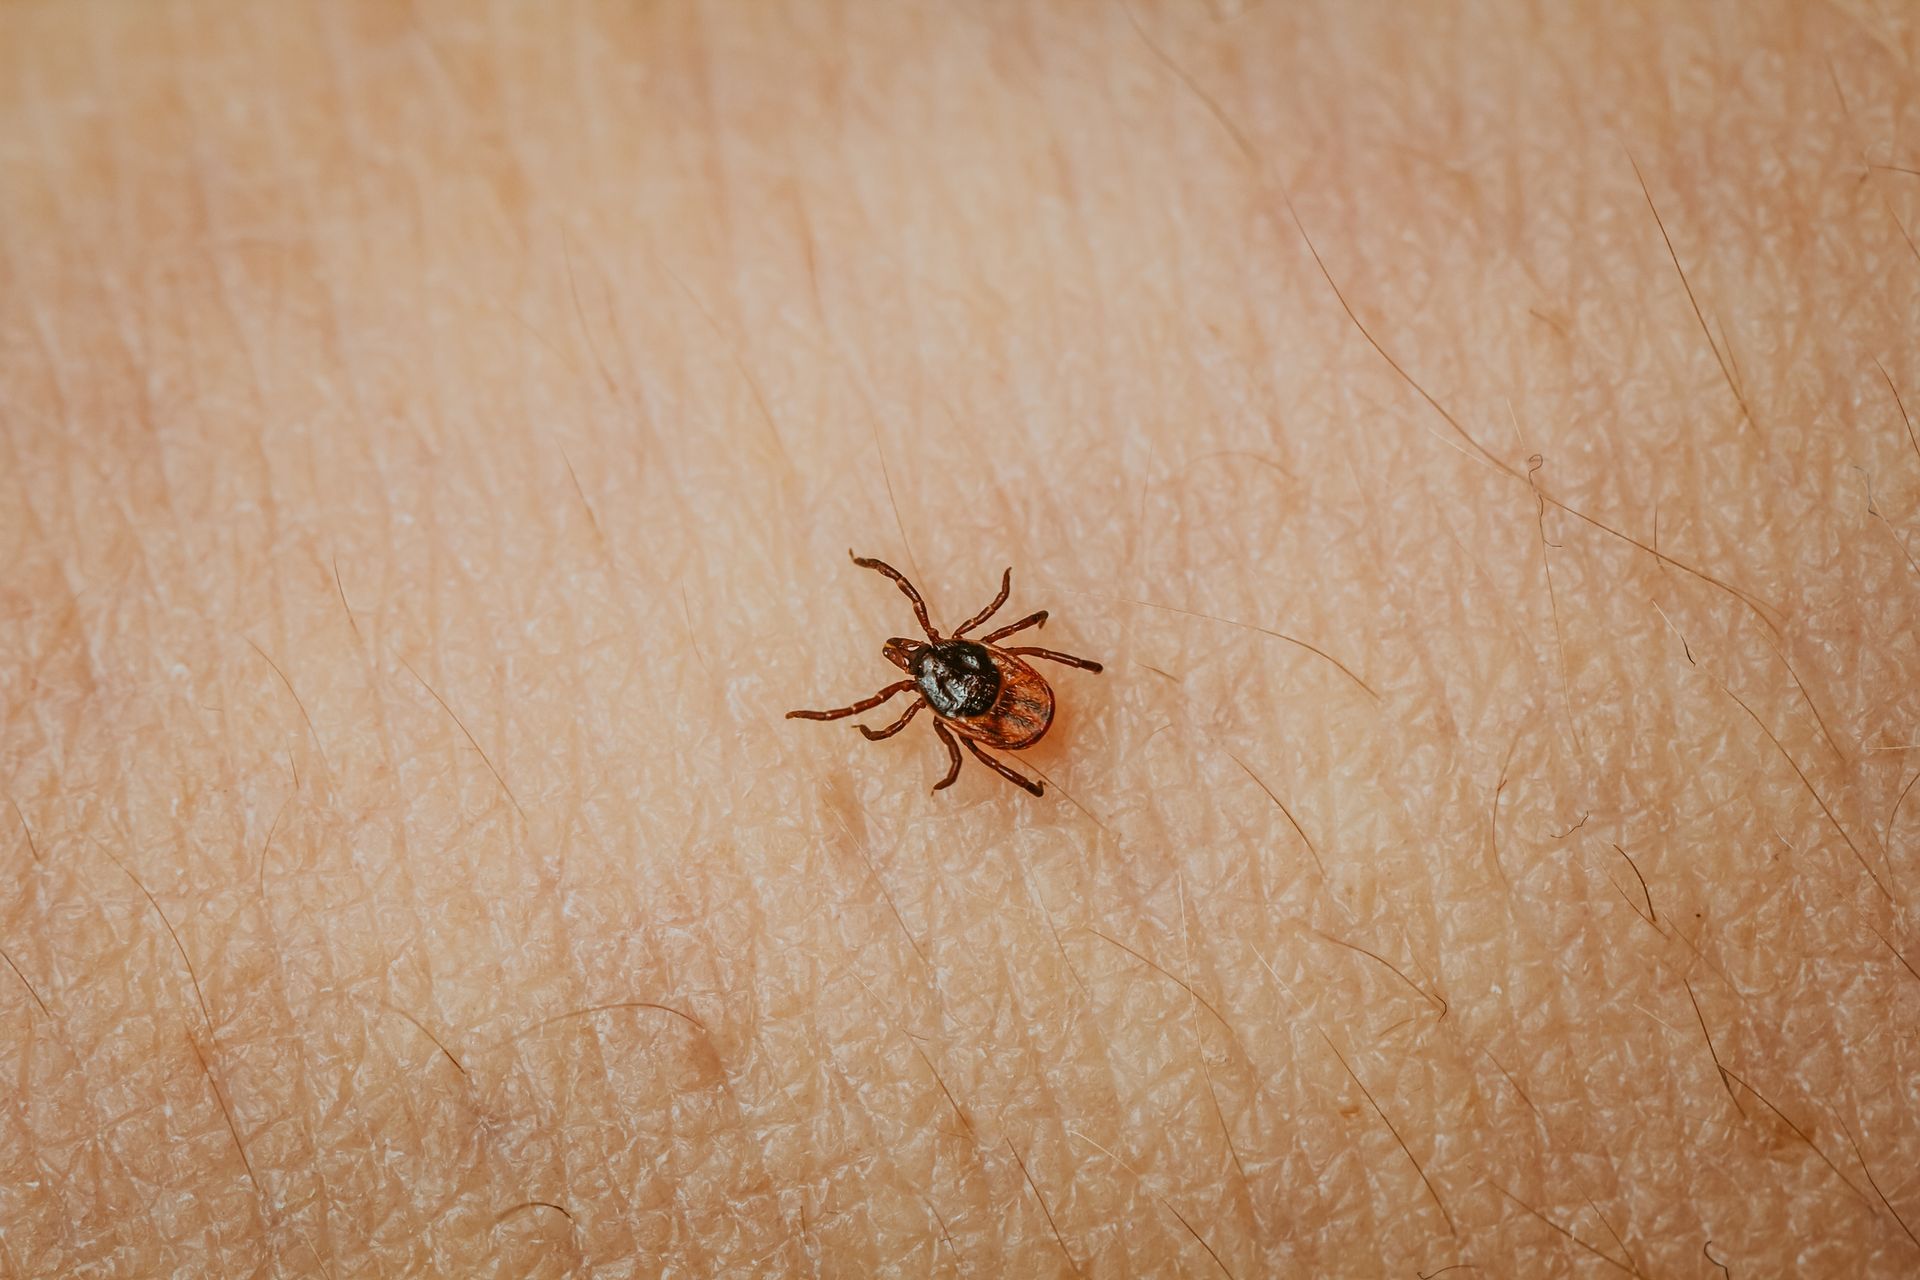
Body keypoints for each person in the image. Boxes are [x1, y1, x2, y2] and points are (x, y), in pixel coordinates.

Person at [3, 2, 1915, 1275]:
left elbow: (963, 690)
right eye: (941, 684)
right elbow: (966, 678)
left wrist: (980, 734)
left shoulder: (950, 689)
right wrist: (965, 720)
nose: (949, 677)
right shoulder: (951, 681)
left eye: (947, 671)